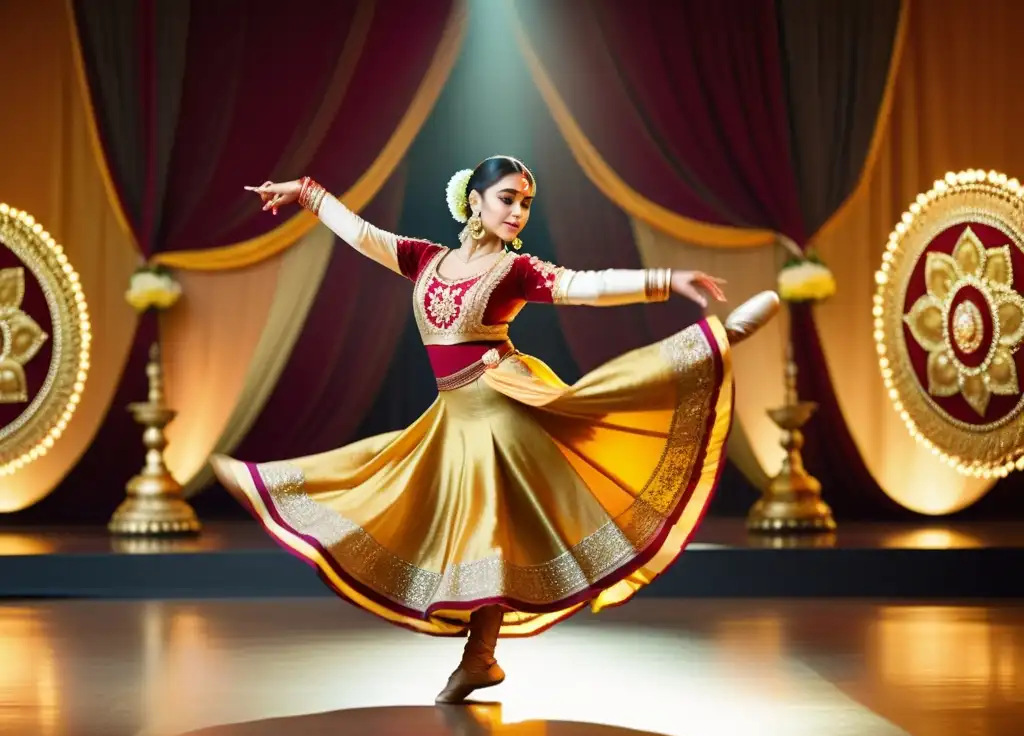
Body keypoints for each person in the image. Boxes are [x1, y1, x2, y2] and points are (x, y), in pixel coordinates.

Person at [211, 156, 779, 704]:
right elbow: (361, 234)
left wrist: (665, 278)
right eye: (507, 198)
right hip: (454, 416)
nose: (518, 212)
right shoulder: (425, 260)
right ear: (473, 200)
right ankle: (479, 657)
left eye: (526, 203)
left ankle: (718, 341)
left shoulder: (514, 269)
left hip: (502, 406)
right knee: (412, 494)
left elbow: (585, 285)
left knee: (489, 532)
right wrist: (306, 194)